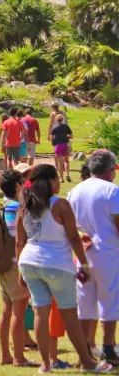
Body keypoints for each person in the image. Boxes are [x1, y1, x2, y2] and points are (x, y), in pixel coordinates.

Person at [16, 164, 110, 373]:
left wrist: (20, 272)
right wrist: (84, 264)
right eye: (57, 178)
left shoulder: (25, 206)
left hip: (29, 262)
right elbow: (74, 237)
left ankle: (45, 364)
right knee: (70, 316)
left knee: (41, 312)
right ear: (50, 181)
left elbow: (19, 243)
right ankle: (87, 362)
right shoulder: (60, 205)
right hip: (56, 264)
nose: (59, 182)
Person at [68, 149, 119, 365]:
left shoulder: (75, 191)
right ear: (110, 170)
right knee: (109, 301)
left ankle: (86, 349)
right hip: (108, 254)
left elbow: (69, 225)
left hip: (83, 254)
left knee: (85, 303)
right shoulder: (111, 191)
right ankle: (108, 346)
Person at [0, 165, 35, 367]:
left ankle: (5, 355)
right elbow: (18, 239)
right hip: (15, 265)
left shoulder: (3, 205)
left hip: (3, 265)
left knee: (6, 310)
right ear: (18, 186)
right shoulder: (15, 208)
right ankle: (19, 357)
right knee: (18, 313)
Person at [50, 114, 73, 182]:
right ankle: (67, 175)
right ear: (62, 119)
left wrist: (54, 142)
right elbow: (71, 136)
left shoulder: (54, 128)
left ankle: (61, 178)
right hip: (66, 145)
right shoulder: (66, 127)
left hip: (58, 146)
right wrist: (66, 137)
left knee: (60, 163)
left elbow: (51, 138)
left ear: (56, 120)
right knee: (66, 161)